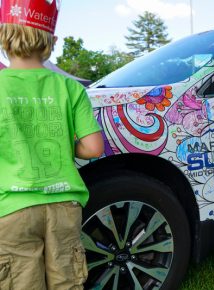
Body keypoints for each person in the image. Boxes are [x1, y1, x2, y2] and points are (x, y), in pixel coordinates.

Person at [0, 1, 104, 289]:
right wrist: (63, 144)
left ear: (2, 35)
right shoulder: (70, 88)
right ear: (52, 40)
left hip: (11, 208)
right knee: (67, 282)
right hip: (63, 205)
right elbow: (94, 148)